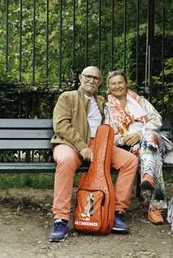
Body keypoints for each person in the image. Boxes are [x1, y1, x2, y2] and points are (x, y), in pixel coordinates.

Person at [49, 66, 139, 242]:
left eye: (96, 78)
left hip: (99, 146)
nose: (92, 81)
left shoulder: (100, 101)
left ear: (99, 82)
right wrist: (82, 146)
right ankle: (60, 219)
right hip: (70, 144)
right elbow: (61, 125)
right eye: (88, 77)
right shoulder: (67, 97)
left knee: (129, 161)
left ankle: (115, 212)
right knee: (66, 160)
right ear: (81, 78)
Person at [104, 70, 173, 225]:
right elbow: (107, 133)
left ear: (126, 83)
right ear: (109, 87)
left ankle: (148, 179)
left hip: (153, 141)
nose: (117, 86)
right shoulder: (107, 108)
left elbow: (156, 120)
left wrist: (140, 132)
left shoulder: (139, 101)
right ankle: (153, 205)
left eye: (120, 82)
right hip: (129, 147)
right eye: (113, 84)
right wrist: (123, 139)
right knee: (149, 155)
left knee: (149, 138)